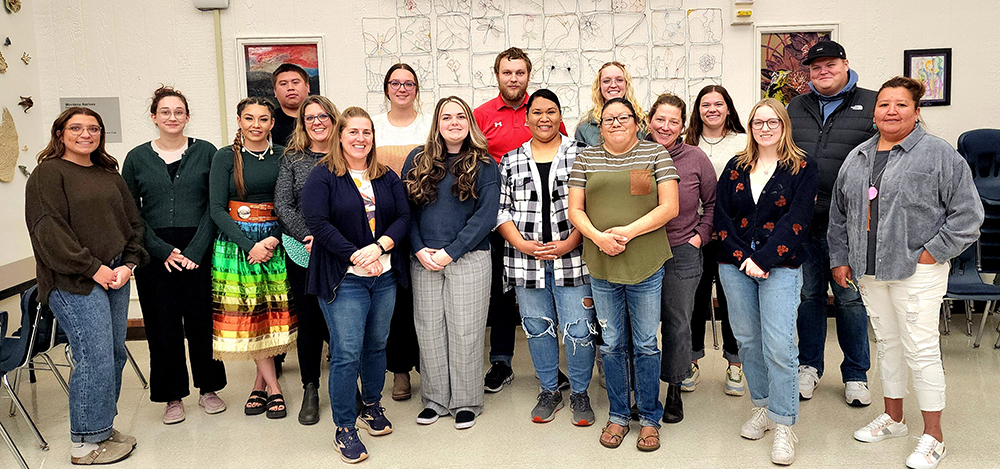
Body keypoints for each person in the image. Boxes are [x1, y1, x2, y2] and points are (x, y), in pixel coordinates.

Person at [830, 77, 983, 469]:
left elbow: (968, 215)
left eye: (901, 104)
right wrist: (841, 257)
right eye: (884, 105)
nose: (891, 111)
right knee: (889, 345)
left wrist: (933, 253)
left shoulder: (939, 155)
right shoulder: (858, 156)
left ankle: (934, 435)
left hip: (917, 270)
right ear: (875, 111)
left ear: (917, 112)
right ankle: (894, 419)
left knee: (922, 349)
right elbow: (839, 214)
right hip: (868, 271)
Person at [25, 107, 148, 464]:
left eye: (93, 128)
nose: (85, 134)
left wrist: (127, 264)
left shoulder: (109, 174)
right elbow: (48, 231)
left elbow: (132, 223)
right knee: (93, 357)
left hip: (115, 276)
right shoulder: (47, 174)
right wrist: (93, 268)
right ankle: (85, 443)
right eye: (76, 128)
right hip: (73, 281)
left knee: (114, 354)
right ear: (60, 133)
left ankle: (102, 428)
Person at [568, 97, 679, 452]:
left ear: (637, 122)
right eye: (608, 119)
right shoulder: (585, 157)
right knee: (612, 343)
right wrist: (600, 238)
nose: (615, 123)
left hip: (645, 264)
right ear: (599, 126)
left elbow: (669, 206)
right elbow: (575, 210)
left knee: (646, 344)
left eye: (623, 117)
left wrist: (626, 233)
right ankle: (618, 415)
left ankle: (649, 418)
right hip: (601, 264)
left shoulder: (655, 154)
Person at [301, 107, 411, 464]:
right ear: (340, 136)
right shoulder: (323, 176)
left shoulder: (386, 176)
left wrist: (379, 247)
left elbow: (403, 217)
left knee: (377, 345)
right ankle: (344, 427)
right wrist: (356, 256)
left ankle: (372, 407)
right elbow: (318, 223)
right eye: (353, 132)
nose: (360, 138)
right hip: (342, 279)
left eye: (367, 132)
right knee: (347, 352)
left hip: (384, 276)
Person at [714, 98, 818, 465]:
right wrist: (745, 258)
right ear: (750, 127)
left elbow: (799, 219)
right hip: (734, 264)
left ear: (784, 125)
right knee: (747, 341)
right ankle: (761, 406)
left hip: (782, 266)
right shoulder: (735, 166)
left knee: (779, 345)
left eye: (772, 122)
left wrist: (763, 258)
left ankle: (784, 423)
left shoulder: (802, 166)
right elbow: (721, 218)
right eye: (758, 122)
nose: (765, 128)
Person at [122, 86, 227, 426]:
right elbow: (130, 212)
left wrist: (196, 249)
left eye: (178, 111)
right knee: (162, 327)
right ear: (154, 117)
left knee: (201, 323)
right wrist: (162, 250)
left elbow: (216, 205)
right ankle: (172, 396)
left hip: (199, 247)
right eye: (165, 111)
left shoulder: (207, 152)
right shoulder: (137, 158)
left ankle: (209, 388)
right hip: (154, 254)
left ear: (187, 116)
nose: (172, 117)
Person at [496, 89, 595, 426]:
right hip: (525, 261)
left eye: (551, 111)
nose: (544, 118)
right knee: (537, 328)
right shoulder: (510, 159)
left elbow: (593, 209)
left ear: (560, 116)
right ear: (527, 118)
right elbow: (500, 211)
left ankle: (580, 393)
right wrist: (522, 244)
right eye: (537, 112)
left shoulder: (581, 154)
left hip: (575, 257)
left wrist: (570, 242)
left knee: (579, 329)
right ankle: (550, 389)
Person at [787, 41, 877, 405]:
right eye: (816, 67)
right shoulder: (796, 105)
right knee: (808, 296)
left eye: (830, 65)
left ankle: (856, 375)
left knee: (850, 298)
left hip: (849, 223)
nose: (822, 72)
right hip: (803, 221)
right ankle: (808, 368)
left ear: (846, 64)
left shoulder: (871, 103)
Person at [473, 47, 568, 394]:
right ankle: (501, 361)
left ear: (528, 75)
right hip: (496, 217)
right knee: (500, 292)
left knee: (547, 287)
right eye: (507, 73)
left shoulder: (542, 110)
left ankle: (551, 366)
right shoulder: (481, 115)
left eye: (520, 73)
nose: (513, 78)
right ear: (497, 75)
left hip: (545, 222)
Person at [403, 96, 499, 430]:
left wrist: (451, 251)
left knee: (466, 332)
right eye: (447, 117)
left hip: (468, 258)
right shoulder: (417, 159)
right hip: (424, 259)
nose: (454, 122)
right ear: (437, 123)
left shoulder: (484, 164)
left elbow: (485, 217)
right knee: (428, 330)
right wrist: (418, 249)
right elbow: (406, 212)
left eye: (461, 116)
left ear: (469, 122)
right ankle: (434, 399)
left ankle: (466, 401)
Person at [209, 97, 296, 420]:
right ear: (239, 121)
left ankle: (259, 383)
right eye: (249, 118)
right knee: (250, 313)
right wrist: (249, 245)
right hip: (237, 245)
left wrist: (274, 239)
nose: (256, 125)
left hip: (276, 242)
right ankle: (274, 389)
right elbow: (217, 208)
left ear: (272, 124)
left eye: (263, 119)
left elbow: (290, 201)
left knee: (272, 316)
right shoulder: (224, 157)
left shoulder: (283, 157)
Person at [646, 93, 716, 424]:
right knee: (641, 325)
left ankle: (674, 389)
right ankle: (642, 391)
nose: (665, 126)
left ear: (683, 126)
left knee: (677, 322)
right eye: (660, 119)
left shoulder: (695, 158)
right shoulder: (634, 154)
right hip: (640, 252)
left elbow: (715, 203)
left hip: (682, 252)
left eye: (674, 121)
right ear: (649, 120)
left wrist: (700, 236)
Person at [273, 95, 339, 425]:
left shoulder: (346, 154)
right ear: (302, 123)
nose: (317, 122)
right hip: (304, 251)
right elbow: (283, 205)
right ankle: (310, 388)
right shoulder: (292, 159)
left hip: (342, 252)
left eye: (323, 116)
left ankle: (345, 387)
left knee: (342, 324)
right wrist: (309, 236)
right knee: (311, 323)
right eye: (310, 118)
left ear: (334, 119)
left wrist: (332, 240)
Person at [371, 63, 431, 401]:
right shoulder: (374, 126)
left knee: (422, 301)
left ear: (417, 89)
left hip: (424, 220)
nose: (402, 88)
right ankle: (400, 372)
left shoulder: (428, 126)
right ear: (386, 89)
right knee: (392, 301)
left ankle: (430, 366)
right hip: (383, 225)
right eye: (395, 83)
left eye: (409, 83)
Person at [683, 85, 747, 396]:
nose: (712, 109)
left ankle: (735, 365)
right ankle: (692, 360)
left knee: (732, 299)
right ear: (697, 111)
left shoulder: (743, 143)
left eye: (718, 104)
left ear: (728, 108)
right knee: (694, 300)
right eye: (705, 104)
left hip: (733, 233)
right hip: (695, 232)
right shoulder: (686, 143)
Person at [575, 61, 648, 147]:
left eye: (619, 80)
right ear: (599, 86)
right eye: (606, 81)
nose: (613, 85)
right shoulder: (584, 129)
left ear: (626, 84)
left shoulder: (643, 123)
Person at [271, 63, 312, 147]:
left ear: (307, 87)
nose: (290, 88)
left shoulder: (323, 118)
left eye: (295, 82)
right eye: (283, 84)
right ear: (275, 92)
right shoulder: (268, 121)